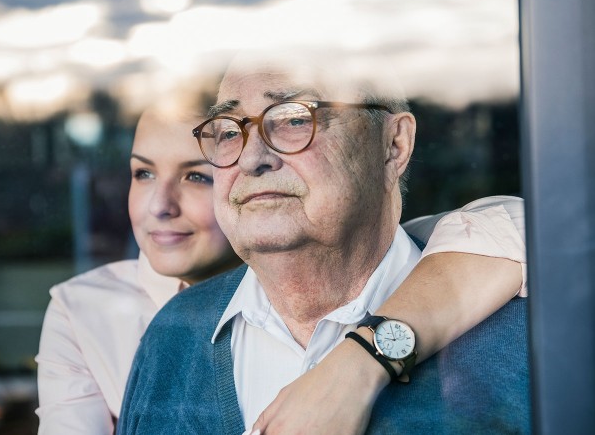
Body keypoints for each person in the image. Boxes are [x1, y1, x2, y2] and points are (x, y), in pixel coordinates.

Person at [37, 90, 525, 434]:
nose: (251, 159)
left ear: (393, 145)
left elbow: (536, 226)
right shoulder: (164, 333)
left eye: (294, 119)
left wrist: (364, 361)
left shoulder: (501, 304)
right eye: (229, 132)